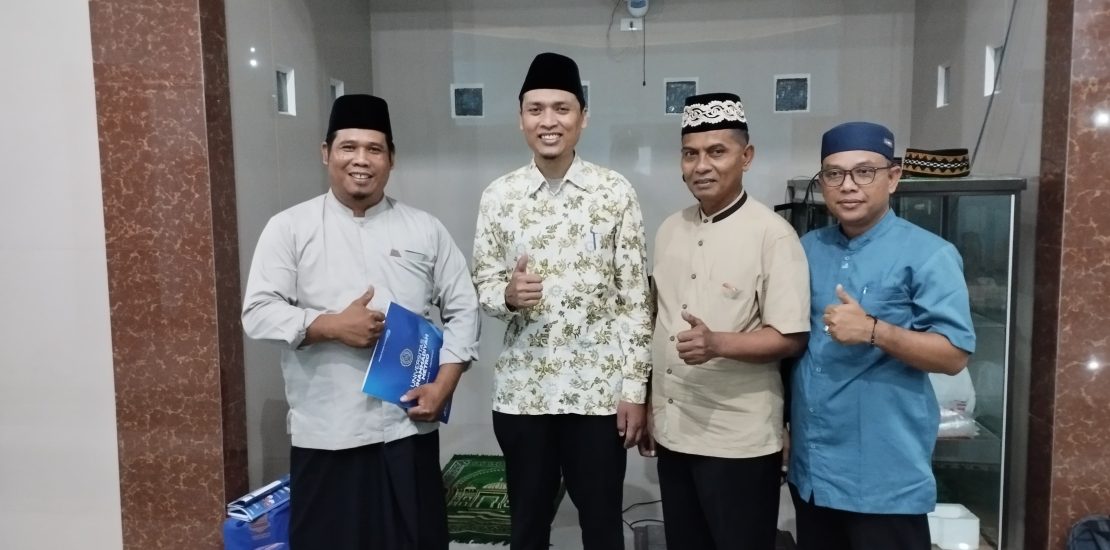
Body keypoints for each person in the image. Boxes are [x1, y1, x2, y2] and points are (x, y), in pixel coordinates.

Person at [241, 94, 480, 550]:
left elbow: (464, 308)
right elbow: (258, 312)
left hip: (406, 431)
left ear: (391, 158)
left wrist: (444, 385)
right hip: (327, 433)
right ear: (326, 152)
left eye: (374, 149)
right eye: (348, 147)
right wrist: (330, 326)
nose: (361, 160)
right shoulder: (289, 228)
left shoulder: (424, 229)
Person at [471, 52, 652, 550]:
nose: (548, 121)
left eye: (561, 108)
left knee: (602, 524)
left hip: (598, 395)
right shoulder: (499, 196)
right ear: (521, 117)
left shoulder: (614, 193)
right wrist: (507, 296)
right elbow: (483, 281)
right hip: (523, 393)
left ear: (583, 117)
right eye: (536, 109)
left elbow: (635, 299)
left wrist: (634, 389)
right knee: (527, 525)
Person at [787, 121, 977, 550]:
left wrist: (874, 331)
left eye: (864, 172)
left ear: (893, 178)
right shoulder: (807, 249)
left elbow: (953, 354)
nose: (847, 185)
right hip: (814, 468)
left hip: (884, 475)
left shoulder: (929, 254)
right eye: (834, 174)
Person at [639, 92, 810, 549]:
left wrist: (718, 344)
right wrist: (652, 404)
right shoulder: (669, 229)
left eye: (717, 152)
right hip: (675, 433)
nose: (701, 166)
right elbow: (658, 321)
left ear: (746, 157)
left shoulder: (773, 236)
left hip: (738, 441)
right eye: (690, 154)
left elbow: (790, 337)